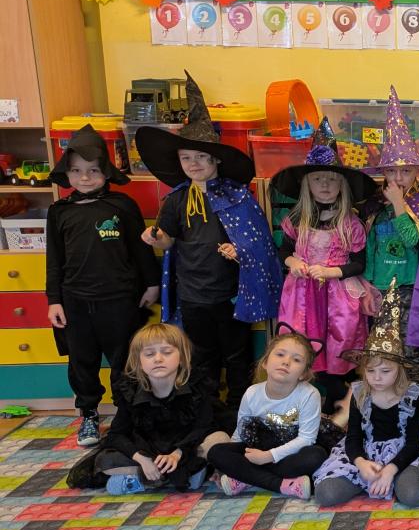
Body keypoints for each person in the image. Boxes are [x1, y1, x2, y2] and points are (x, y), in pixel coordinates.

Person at [138, 71, 282, 409]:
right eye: (186, 158)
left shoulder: (238, 197)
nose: (194, 164)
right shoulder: (176, 199)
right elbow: (169, 242)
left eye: (201, 157)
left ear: (215, 159)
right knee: (201, 357)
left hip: (231, 295)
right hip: (193, 295)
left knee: (237, 355)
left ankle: (238, 410)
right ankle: (207, 411)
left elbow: (258, 243)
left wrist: (239, 250)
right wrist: (155, 239)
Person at [46, 125, 159, 447]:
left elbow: (141, 250)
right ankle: (89, 414)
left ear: (106, 171)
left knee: (125, 360)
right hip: (75, 301)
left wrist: (152, 284)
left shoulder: (121, 206)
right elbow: (53, 259)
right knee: (81, 361)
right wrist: (54, 299)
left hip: (120, 299)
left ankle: (127, 414)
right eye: (76, 171)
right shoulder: (59, 212)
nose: (85, 177)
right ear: (67, 173)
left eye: (93, 170)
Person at [271, 126, 379, 412]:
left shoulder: (350, 223)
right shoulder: (297, 220)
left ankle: (340, 404)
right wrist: (293, 262)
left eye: (332, 179)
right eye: (318, 179)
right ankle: (307, 404)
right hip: (302, 295)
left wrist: (332, 272)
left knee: (339, 345)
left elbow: (359, 263)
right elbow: (283, 251)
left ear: (342, 185)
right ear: (307, 184)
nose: (325, 185)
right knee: (303, 343)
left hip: (338, 296)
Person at [313, 284, 419, 507]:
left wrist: (390, 469)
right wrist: (361, 463)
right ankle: (371, 480)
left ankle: (394, 479)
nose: (377, 378)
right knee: (326, 494)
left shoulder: (410, 396)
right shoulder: (360, 394)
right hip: (365, 453)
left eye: (385, 371)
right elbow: (353, 438)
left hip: (403, 455)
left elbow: (414, 442)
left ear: (399, 370)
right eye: (371, 371)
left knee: (413, 495)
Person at [69, 323, 218, 495]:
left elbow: (203, 427)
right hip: (149, 448)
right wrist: (141, 459)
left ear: (182, 357)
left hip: (187, 446)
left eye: (167, 352)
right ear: (138, 362)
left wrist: (177, 454)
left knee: (217, 442)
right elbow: (116, 435)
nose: (158, 359)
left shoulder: (197, 386)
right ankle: (164, 475)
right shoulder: (131, 392)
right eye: (149, 354)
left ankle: (150, 478)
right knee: (106, 459)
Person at [361, 86, 419, 387]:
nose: (398, 178)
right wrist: (367, 283)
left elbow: (413, 241)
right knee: (381, 349)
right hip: (379, 287)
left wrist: (397, 204)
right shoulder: (373, 206)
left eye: (405, 171)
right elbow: (369, 246)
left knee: (410, 347)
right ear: (383, 172)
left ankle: (413, 398)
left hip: (409, 289)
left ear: (417, 172)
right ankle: (385, 398)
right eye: (392, 171)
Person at [206, 329, 330, 500]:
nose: (286, 362)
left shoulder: (309, 394)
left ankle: (247, 478)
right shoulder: (252, 393)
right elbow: (240, 434)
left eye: (296, 360)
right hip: (257, 448)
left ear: (303, 374)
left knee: (316, 456)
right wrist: (225, 466)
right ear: (265, 362)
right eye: (280, 354)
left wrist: (267, 457)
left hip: (288, 453)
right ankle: (283, 485)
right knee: (216, 452)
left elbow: (306, 439)